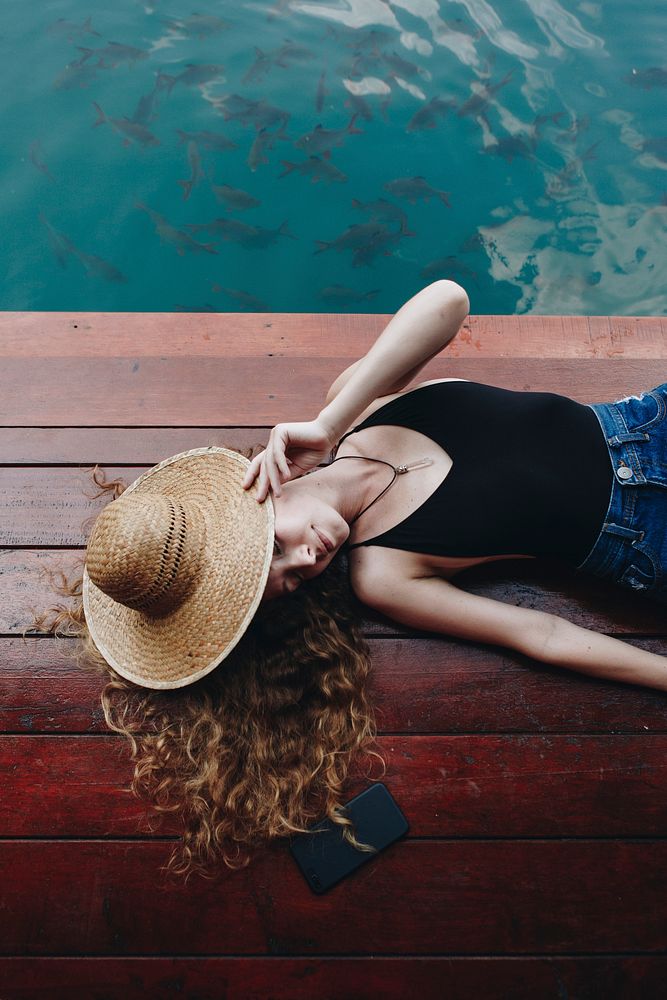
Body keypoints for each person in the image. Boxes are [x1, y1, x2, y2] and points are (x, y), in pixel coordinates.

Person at [30, 279, 667, 879]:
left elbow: (449, 300)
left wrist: (332, 424)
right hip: (640, 533)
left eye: (276, 548)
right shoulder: (384, 574)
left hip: (643, 422)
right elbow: (539, 634)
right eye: (289, 581)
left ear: (258, 492)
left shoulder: (354, 407)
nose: (306, 563)